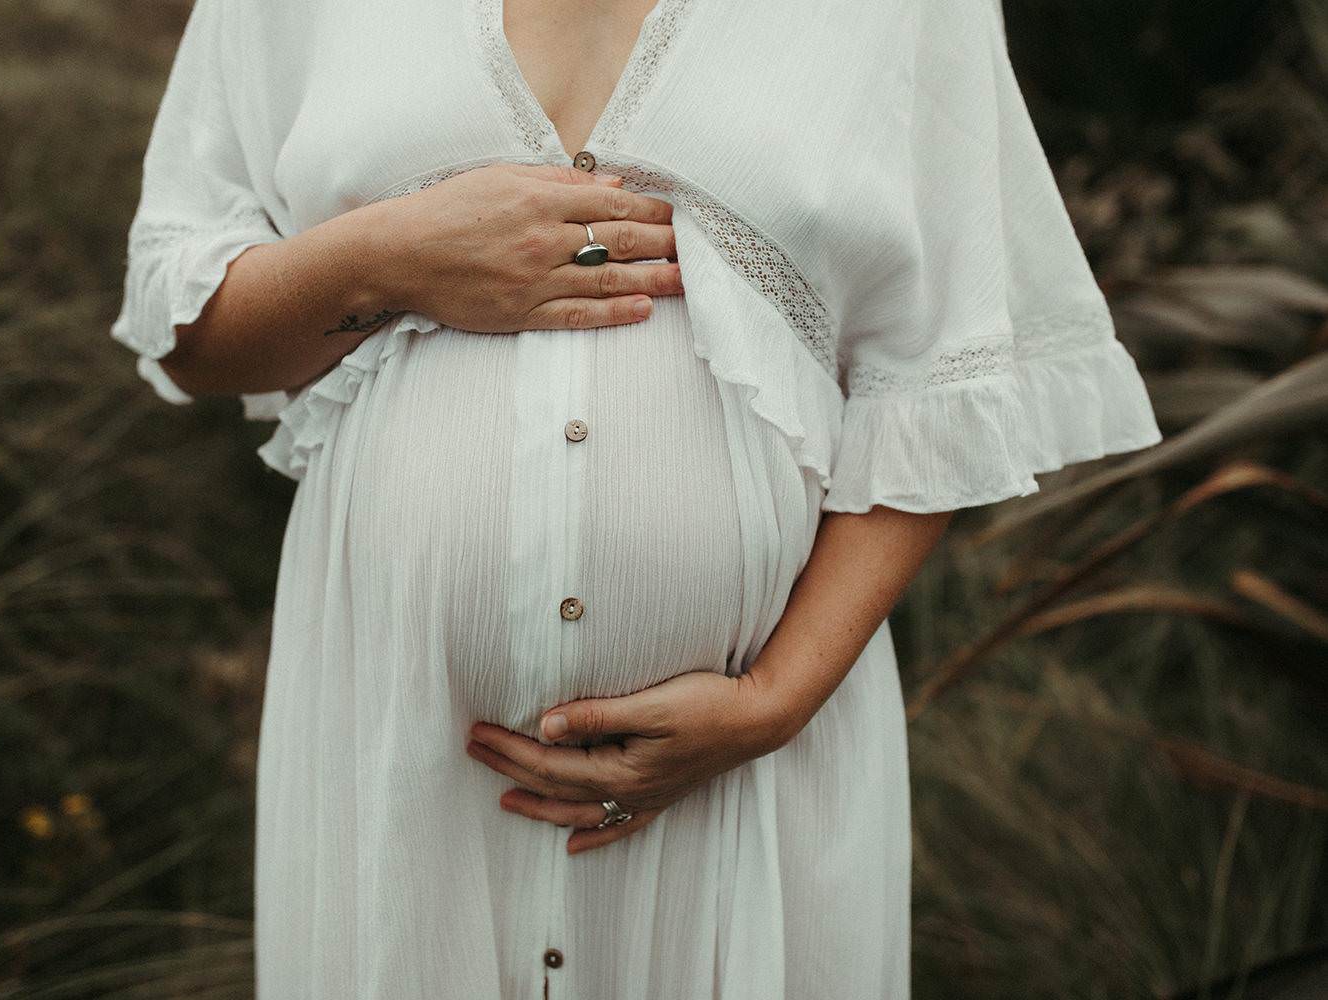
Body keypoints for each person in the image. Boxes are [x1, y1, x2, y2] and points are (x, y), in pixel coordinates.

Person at [109, 0, 1163, 996]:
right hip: (399, 758)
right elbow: (188, 324)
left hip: (746, 780)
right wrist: (393, 256)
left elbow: (940, 372)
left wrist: (774, 701)